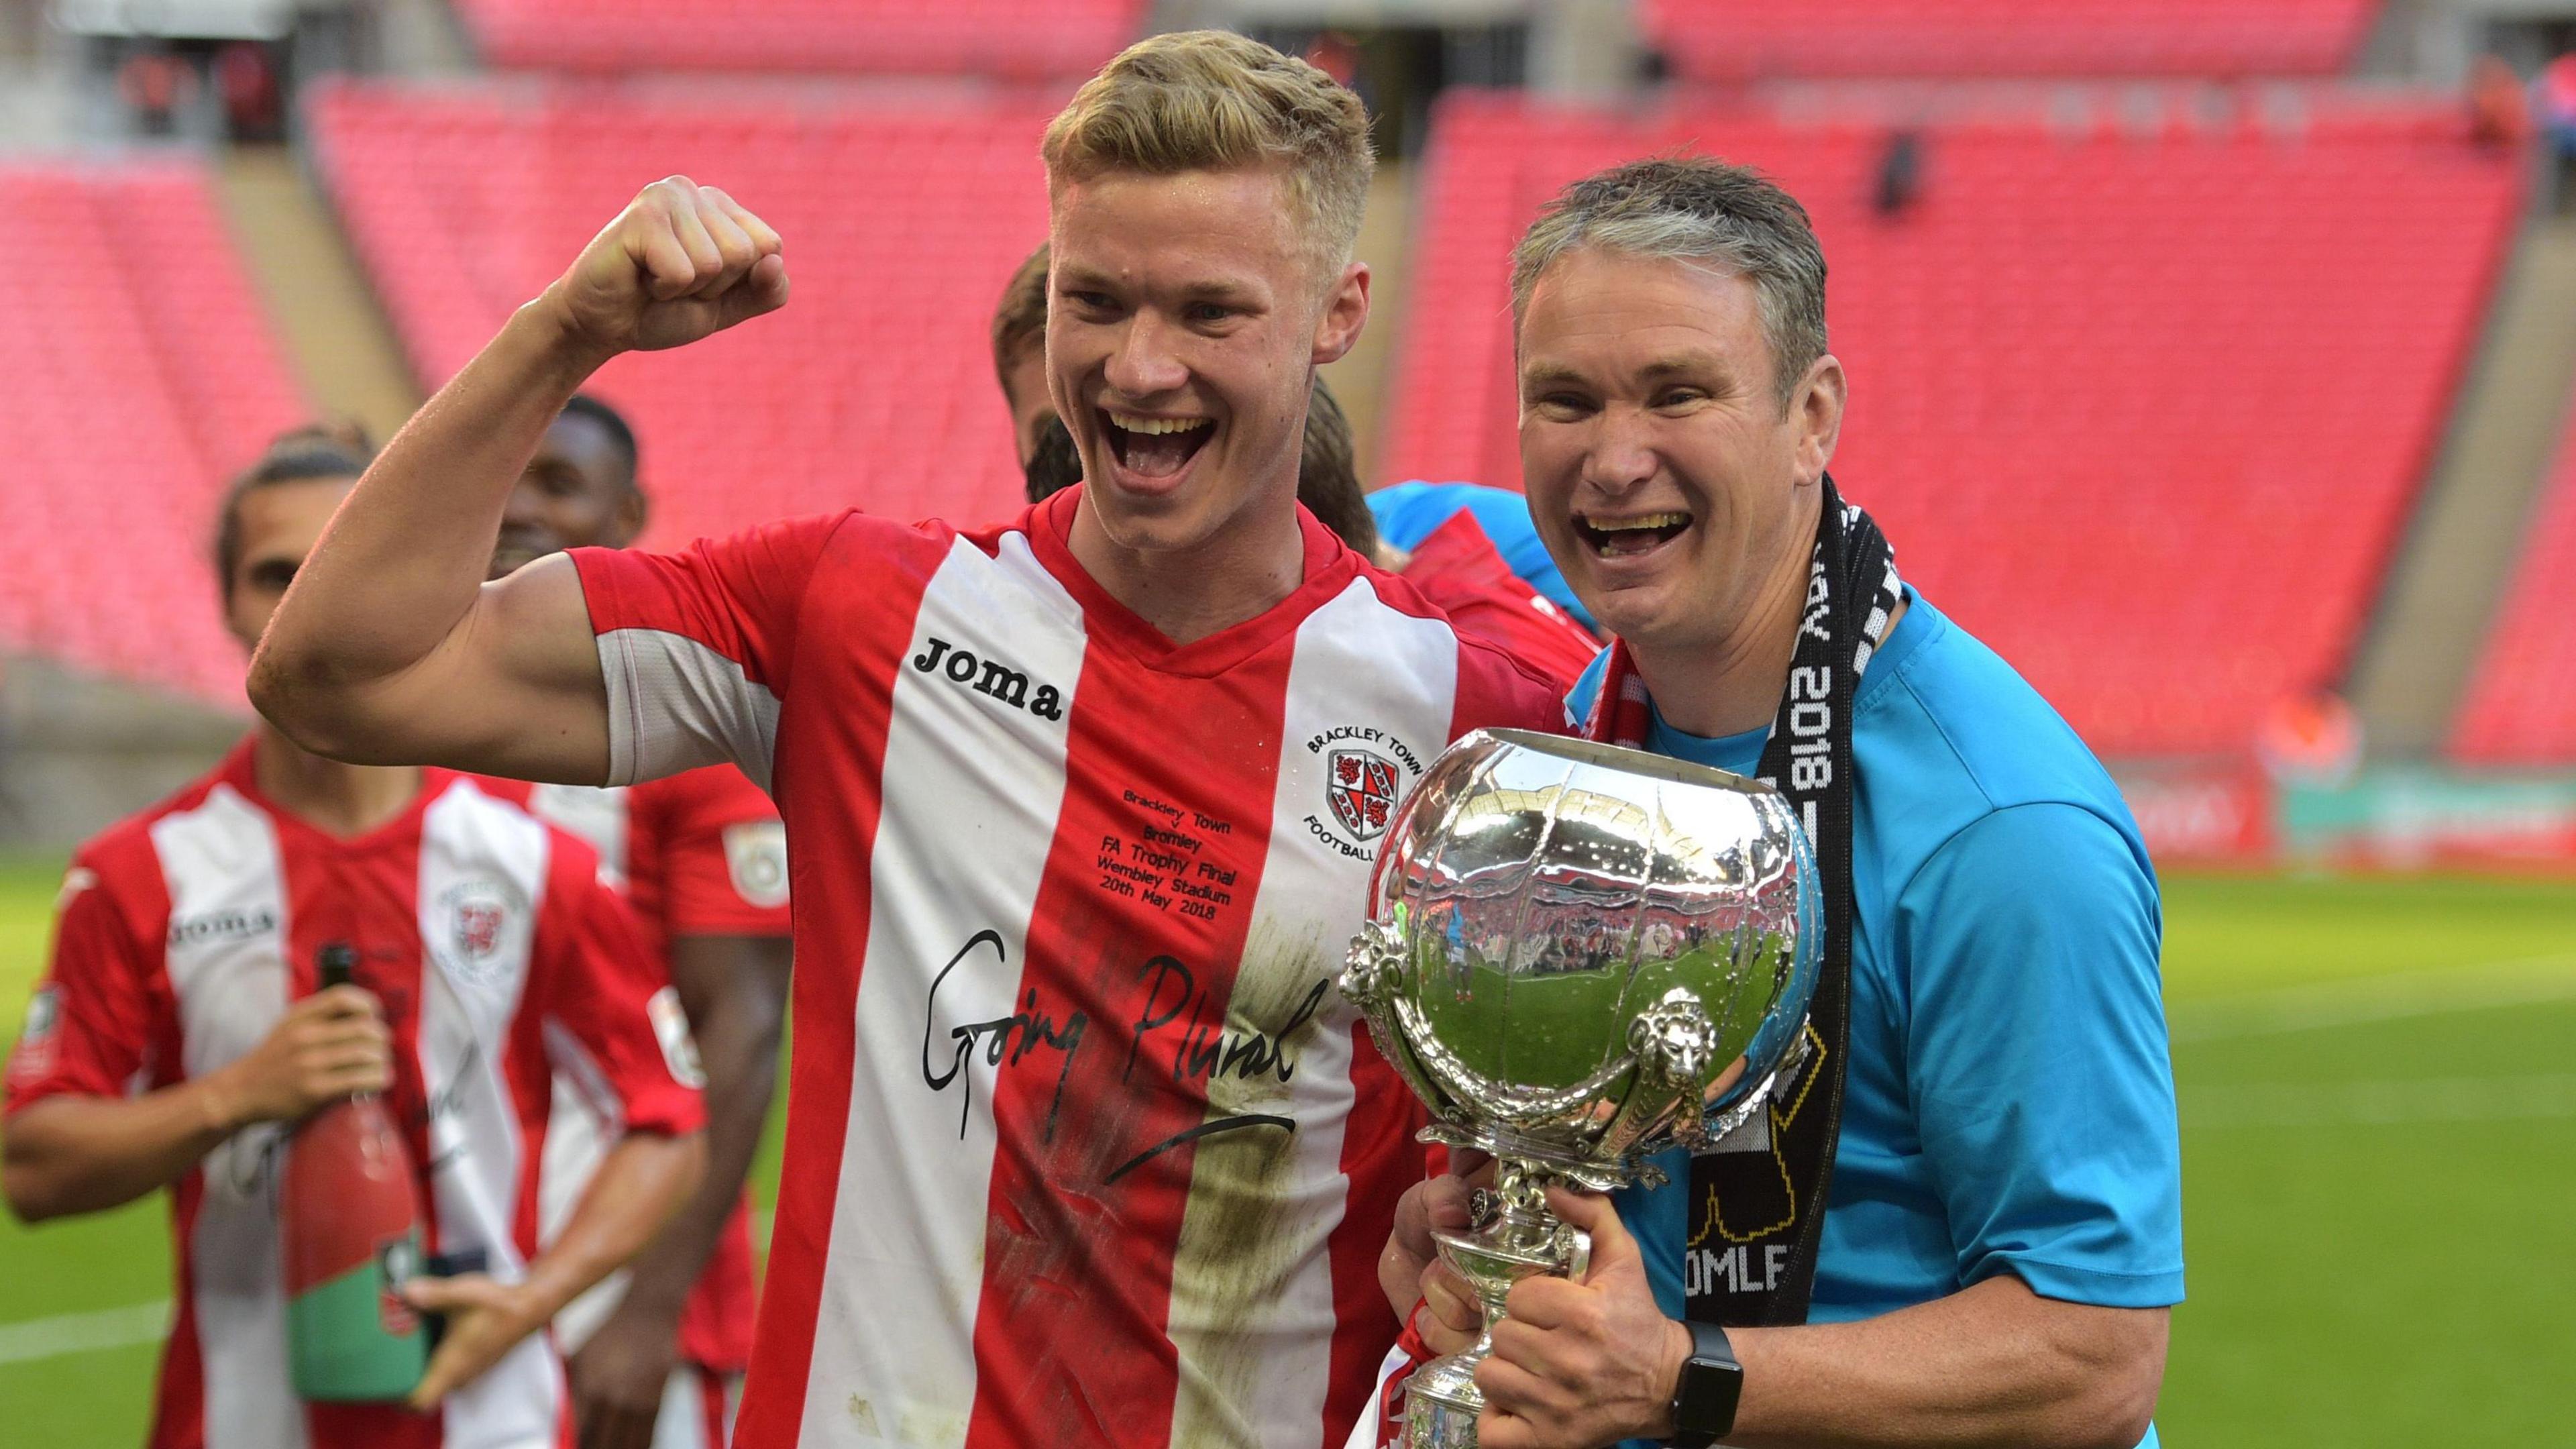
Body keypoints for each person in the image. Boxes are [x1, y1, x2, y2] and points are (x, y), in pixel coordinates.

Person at [248, 31, 1565, 1449]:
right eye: (1096, 299)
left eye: (1209, 312)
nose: (1139, 367)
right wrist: (564, 331)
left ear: (1336, 313)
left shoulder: (1466, 723)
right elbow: (339, 677)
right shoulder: (854, 611)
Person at [1374, 158, 2180, 1449]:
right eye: (1565, 400)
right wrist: (1487, 1245)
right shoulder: (1578, 743)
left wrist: (1685, 1378)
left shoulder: (2002, 830)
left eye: (1678, 394)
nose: (1614, 458)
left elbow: (2095, 1356)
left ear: (1813, 416)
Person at [1, 426, 707, 1449]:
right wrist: (236, 1094)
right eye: (277, 574)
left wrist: (539, 1296)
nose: (306, 604)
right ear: (228, 604)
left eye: (341, 563)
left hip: (490, 1424)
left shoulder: (528, 861)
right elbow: (33, 1165)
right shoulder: (138, 874)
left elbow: (667, 1120)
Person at [478, 394, 793, 1449]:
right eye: (507, 478)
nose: (520, 507)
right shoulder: (416, 733)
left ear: (628, 515)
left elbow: (741, 1036)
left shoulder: (689, 739)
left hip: (623, 1302)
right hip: (455, 1277)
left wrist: (654, 1307)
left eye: (558, 484)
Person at [1002, 242, 1601, 688]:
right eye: (1054, 423)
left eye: (1207, 314)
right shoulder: (1016, 628)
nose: (1135, 393)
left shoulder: (1477, 623)